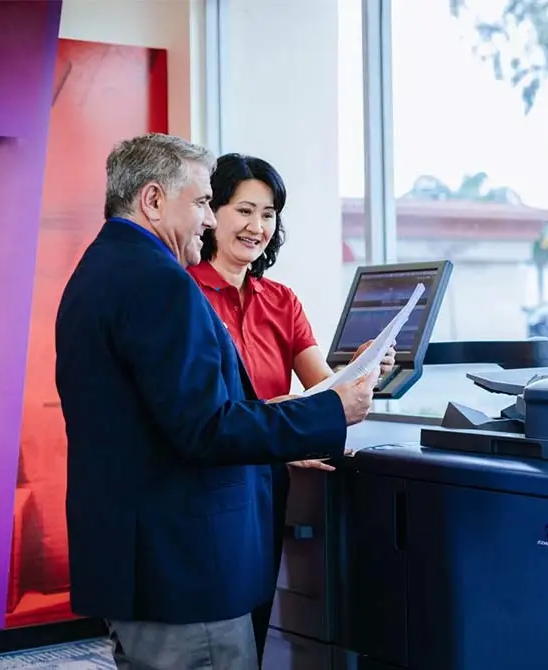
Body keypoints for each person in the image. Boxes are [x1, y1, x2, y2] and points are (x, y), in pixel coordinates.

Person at [55, 133, 377, 670]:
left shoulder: (100, 269)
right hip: (184, 567)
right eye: (205, 202)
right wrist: (331, 412)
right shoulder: (163, 284)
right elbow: (206, 428)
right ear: (153, 200)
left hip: (140, 558)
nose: (209, 221)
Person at [186, 152, 395, 660]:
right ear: (212, 212)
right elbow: (200, 412)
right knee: (209, 625)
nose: (257, 226)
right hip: (209, 483)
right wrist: (283, 413)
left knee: (252, 623)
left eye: (269, 213)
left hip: (270, 485)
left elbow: (323, 387)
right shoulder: (183, 292)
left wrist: (366, 370)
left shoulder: (281, 300)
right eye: (244, 210)